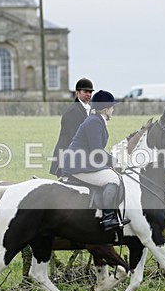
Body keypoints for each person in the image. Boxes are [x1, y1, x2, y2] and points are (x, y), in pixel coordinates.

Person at [59, 90, 129, 231]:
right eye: (112, 107)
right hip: (78, 164)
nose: (113, 110)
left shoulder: (96, 120)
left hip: (84, 161)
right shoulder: (94, 122)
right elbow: (96, 150)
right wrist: (114, 162)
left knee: (112, 174)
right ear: (105, 109)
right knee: (113, 179)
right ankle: (108, 217)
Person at [49, 78, 93, 176]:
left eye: (90, 92)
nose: (88, 94)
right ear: (77, 93)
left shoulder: (87, 109)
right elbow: (75, 137)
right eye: (85, 91)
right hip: (67, 157)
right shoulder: (73, 111)